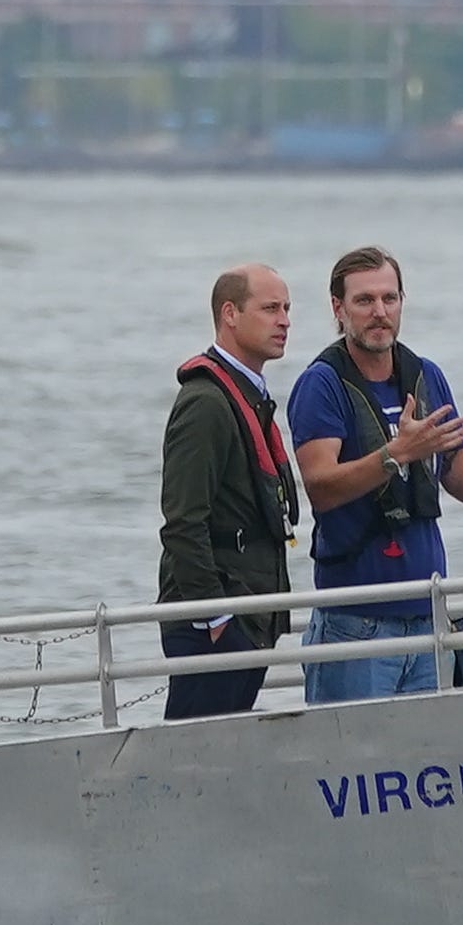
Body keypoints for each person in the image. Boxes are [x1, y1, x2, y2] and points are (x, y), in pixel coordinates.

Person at [284, 249, 463, 705]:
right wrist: (396, 453)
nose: (379, 312)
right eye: (364, 301)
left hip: (431, 619)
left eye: (389, 298)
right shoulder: (321, 385)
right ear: (338, 308)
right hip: (356, 628)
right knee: (351, 764)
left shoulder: (426, 376)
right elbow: (320, 487)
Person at [155, 263, 301, 720]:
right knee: (191, 757)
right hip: (214, 624)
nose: (285, 321)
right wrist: (217, 617)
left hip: (247, 615)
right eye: (271, 308)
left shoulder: (247, 394)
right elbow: (183, 522)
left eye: (288, 309)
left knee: (214, 757)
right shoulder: (206, 403)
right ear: (230, 314)